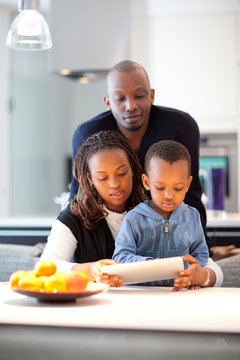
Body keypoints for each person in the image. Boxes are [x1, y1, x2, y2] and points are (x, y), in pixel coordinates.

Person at [70, 59, 238, 262]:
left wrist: (203, 251)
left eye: (139, 96)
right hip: (103, 245)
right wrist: (63, 241)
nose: (130, 106)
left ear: (152, 95)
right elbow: (79, 199)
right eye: (120, 98)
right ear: (107, 102)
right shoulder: (88, 133)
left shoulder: (181, 126)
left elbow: (190, 197)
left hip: (165, 248)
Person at [113, 140, 223, 291]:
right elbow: (120, 257)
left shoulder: (192, 217)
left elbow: (200, 253)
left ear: (187, 184)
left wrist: (194, 272)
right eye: (160, 187)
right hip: (141, 296)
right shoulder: (134, 219)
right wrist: (150, 264)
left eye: (178, 188)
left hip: (181, 296)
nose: (169, 195)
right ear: (146, 182)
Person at [40, 130, 146, 286]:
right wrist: (92, 270)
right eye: (102, 177)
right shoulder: (74, 216)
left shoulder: (154, 209)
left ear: (132, 169)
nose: (114, 183)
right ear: (90, 179)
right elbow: (45, 268)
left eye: (122, 173)